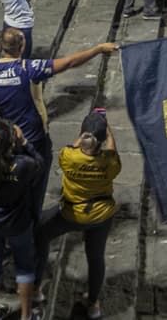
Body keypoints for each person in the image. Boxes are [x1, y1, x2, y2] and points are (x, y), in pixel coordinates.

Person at [0, 29, 117, 217]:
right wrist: (98, 49)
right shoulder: (29, 69)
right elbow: (69, 62)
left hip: (8, 138)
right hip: (34, 138)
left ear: (1, 46)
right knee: (36, 183)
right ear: (22, 47)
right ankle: (31, 221)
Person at [35, 109, 122, 320]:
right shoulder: (109, 164)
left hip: (70, 214)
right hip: (100, 216)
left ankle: (35, 287)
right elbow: (111, 150)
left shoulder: (68, 157)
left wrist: (86, 131)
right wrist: (106, 127)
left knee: (40, 234)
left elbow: (75, 146)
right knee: (96, 257)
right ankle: (93, 304)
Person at [0, 120, 44, 319]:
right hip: (17, 223)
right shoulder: (22, 165)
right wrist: (25, 144)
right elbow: (40, 164)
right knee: (24, 266)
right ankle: (26, 315)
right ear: (11, 145)